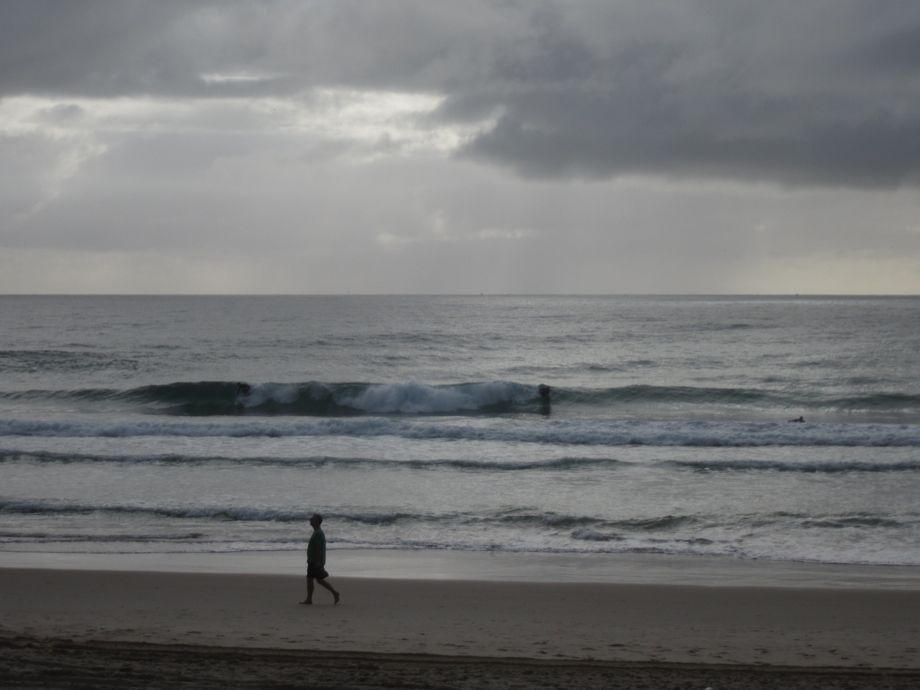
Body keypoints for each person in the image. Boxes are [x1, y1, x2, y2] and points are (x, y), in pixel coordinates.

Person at [300, 513, 340, 605]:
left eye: (312, 519)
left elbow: (319, 549)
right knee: (319, 580)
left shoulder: (318, 533)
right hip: (314, 560)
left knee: (310, 579)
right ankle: (335, 593)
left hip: (315, 561)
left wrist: (317, 562)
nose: (310, 520)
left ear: (317, 522)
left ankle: (309, 599)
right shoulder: (317, 532)